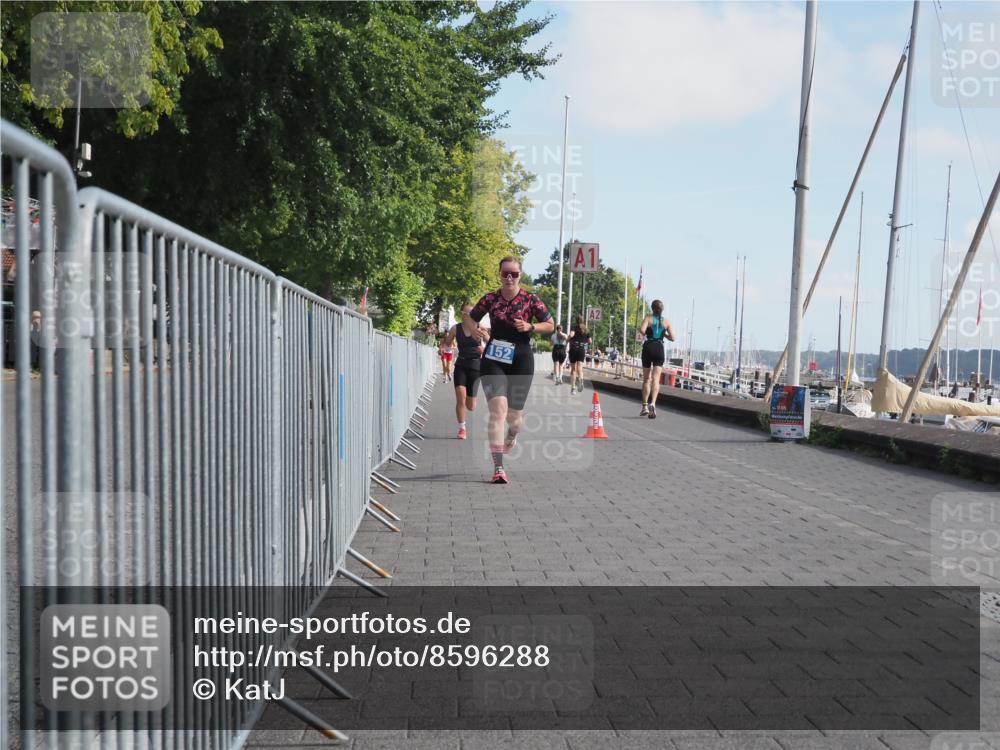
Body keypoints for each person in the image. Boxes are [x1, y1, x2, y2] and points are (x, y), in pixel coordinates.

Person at [465, 256, 554, 484]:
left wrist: (531, 326)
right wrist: (474, 330)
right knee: (498, 411)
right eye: (506, 273)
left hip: (521, 359)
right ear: (500, 274)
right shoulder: (490, 299)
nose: (510, 278)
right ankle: (498, 468)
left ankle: (513, 434)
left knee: (514, 418)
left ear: (520, 275)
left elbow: (550, 324)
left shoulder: (530, 299)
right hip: (494, 357)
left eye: (514, 274)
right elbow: (470, 318)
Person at [441, 303, 484, 439]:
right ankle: (462, 429)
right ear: (462, 315)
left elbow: (492, 343)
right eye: (468, 314)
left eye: (473, 313)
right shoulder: (456, 329)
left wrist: (485, 349)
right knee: (460, 398)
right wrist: (442, 347)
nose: (471, 316)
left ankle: (468, 402)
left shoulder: (480, 328)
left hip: (476, 367)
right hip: (461, 365)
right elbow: (447, 343)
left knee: (470, 406)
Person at [638, 299, 675, 418]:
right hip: (659, 348)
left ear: (652, 308)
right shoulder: (666, 322)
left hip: (648, 346)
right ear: (662, 309)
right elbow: (673, 338)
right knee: (656, 378)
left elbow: (642, 330)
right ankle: (653, 403)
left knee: (646, 379)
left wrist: (645, 331)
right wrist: (663, 334)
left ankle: (644, 406)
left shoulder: (648, 318)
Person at [566, 315, 591, 394]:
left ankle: (573, 388)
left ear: (576, 321)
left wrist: (567, 339)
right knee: (580, 367)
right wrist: (584, 340)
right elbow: (590, 341)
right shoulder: (586, 329)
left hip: (574, 348)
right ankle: (581, 380)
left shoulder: (574, 327)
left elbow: (572, 335)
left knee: (573, 369)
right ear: (583, 320)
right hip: (582, 349)